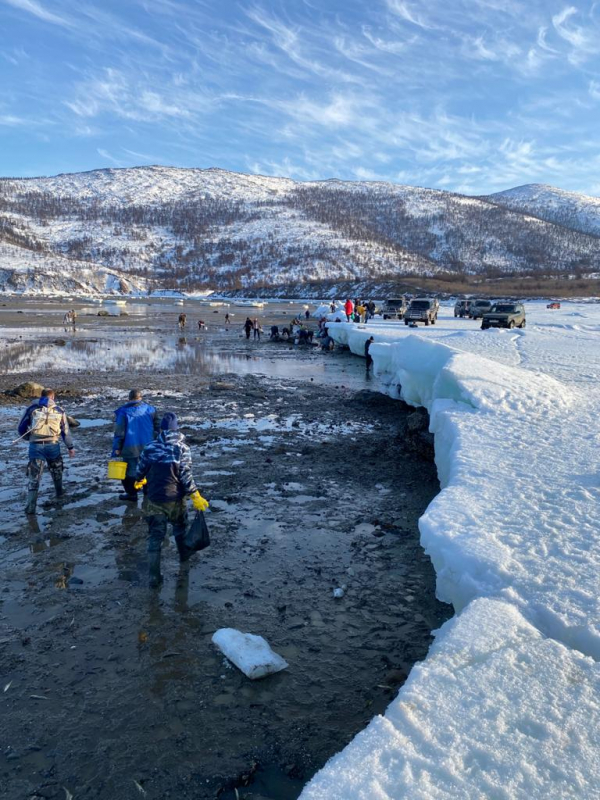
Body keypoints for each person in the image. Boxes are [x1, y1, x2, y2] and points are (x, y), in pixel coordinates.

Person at [134, 413, 208, 587]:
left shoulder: (150, 447)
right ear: (177, 429)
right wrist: (194, 494)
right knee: (180, 531)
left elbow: (140, 469)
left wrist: (139, 479)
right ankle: (184, 559)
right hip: (176, 500)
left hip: (154, 499)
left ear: (161, 430)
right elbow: (185, 474)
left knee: (155, 538)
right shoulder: (183, 448)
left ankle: (154, 577)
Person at [18, 388, 75, 515]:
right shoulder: (59, 410)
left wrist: (29, 438)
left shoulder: (32, 409)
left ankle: (31, 507)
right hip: (53, 445)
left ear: (41, 396)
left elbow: (21, 428)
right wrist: (70, 448)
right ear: (53, 397)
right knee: (57, 471)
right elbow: (65, 431)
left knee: (34, 476)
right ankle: (59, 494)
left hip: (36, 446)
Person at [112, 389, 159, 502]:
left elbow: (119, 432)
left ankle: (132, 495)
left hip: (130, 446)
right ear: (140, 397)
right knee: (148, 469)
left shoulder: (123, 412)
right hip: (148, 446)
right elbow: (158, 426)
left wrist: (117, 448)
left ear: (129, 399)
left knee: (131, 471)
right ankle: (148, 493)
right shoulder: (150, 409)